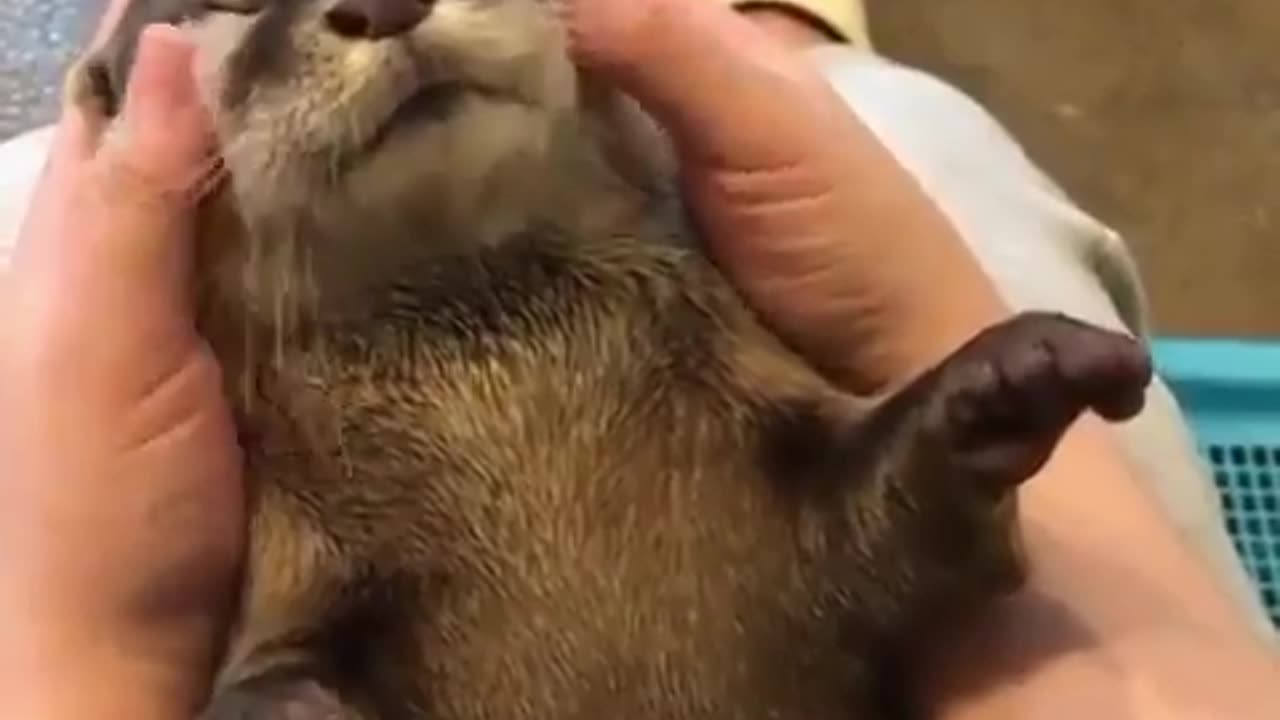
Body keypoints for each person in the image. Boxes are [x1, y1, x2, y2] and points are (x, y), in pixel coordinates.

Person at [0, 0, 1276, 717]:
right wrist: (940, 369)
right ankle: (776, 43)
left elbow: (835, 561)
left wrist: (86, 655)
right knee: (905, 132)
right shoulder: (288, 454)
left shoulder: (689, 322)